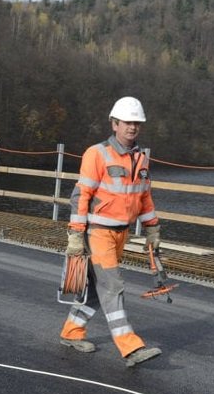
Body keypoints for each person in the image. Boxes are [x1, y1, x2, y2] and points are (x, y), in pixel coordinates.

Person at [60, 96, 162, 367]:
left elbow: (145, 197)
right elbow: (80, 196)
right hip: (98, 233)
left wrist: (152, 229)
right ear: (114, 123)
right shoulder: (97, 154)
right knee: (113, 285)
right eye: (128, 122)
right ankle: (130, 348)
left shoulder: (140, 159)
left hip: (121, 233)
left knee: (96, 290)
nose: (133, 127)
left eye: (137, 123)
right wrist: (75, 234)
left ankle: (71, 332)